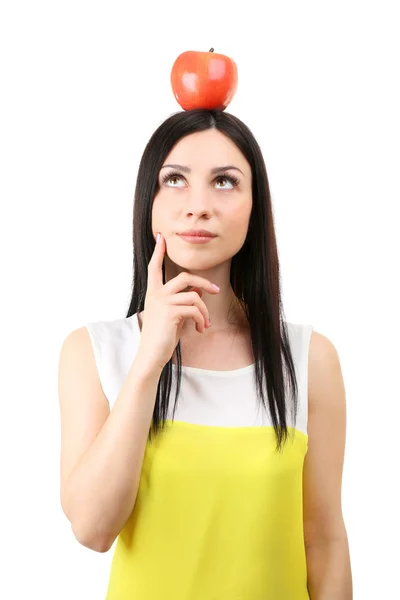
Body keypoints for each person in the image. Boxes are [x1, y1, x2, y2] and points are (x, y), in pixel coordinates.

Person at [58, 108, 352, 599]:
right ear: (147, 203)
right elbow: (92, 529)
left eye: (224, 182)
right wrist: (149, 360)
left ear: (255, 206)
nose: (197, 206)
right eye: (174, 179)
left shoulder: (309, 359)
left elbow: (323, 542)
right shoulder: (94, 351)